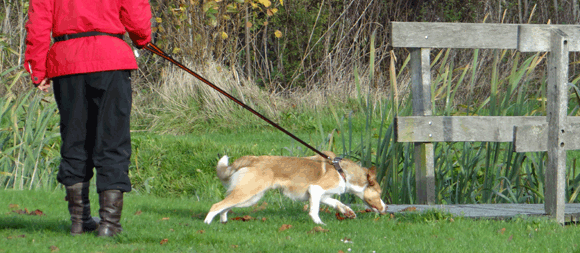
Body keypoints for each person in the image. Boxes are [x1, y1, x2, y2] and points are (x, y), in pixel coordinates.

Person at [24, 0, 152, 237]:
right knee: (113, 140)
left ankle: (80, 221)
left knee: (75, 139)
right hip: (111, 59)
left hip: (67, 61)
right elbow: (136, 11)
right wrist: (141, 39)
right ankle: (109, 224)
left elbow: (38, 22)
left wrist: (37, 67)